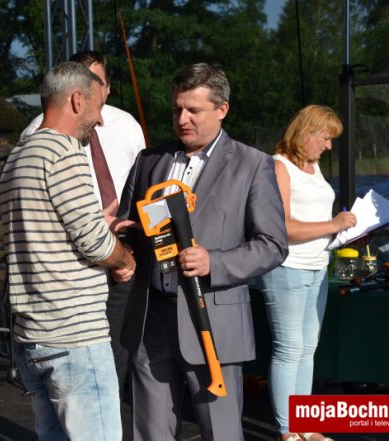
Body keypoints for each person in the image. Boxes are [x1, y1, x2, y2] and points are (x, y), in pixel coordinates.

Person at [117, 62, 288, 441]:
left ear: (222, 109)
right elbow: (130, 226)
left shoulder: (252, 164)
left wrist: (215, 262)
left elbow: (273, 245)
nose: (182, 119)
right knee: (150, 434)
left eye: (193, 110)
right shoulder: (149, 161)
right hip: (152, 320)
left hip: (214, 321)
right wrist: (123, 249)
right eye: (177, 109)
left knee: (221, 433)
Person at [0, 61, 136, 441]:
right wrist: (125, 258)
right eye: (97, 106)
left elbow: (43, 233)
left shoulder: (18, 156)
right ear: (78, 100)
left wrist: (100, 228)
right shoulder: (63, 151)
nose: (99, 118)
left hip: (33, 334)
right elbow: (93, 243)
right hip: (74, 335)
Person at [19, 51, 146, 392]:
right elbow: (70, 225)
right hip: (74, 276)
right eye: (87, 84)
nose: (95, 94)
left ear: (108, 87)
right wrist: (113, 248)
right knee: (89, 384)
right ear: (77, 95)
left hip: (121, 252)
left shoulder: (126, 125)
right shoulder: (48, 140)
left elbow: (141, 186)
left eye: (99, 82)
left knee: (117, 356)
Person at [255, 105, 356, 441]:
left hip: (317, 267)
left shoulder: (313, 166)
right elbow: (282, 227)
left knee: (307, 347)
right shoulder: (279, 166)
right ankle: (287, 431)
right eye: (325, 138)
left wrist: (344, 232)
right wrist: (333, 225)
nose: (328, 146)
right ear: (306, 132)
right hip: (288, 268)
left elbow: (316, 221)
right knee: (289, 348)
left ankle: (305, 424)